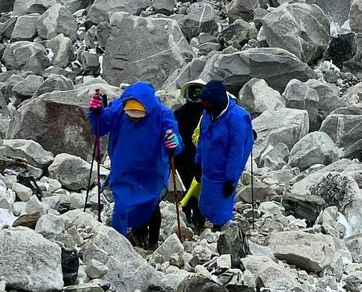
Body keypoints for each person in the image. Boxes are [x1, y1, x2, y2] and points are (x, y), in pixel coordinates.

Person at [88, 81, 181, 247]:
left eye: (138, 116)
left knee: (151, 205)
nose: (134, 119)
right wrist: (97, 112)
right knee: (122, 206)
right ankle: (119, 244)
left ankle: (151, 242)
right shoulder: (118, 108)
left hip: (152, 171)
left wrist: (174, 142)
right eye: (130, 115)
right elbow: (100, 127)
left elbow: (176, 141)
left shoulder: (162, 114)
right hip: (124, 169)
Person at [180, 80, 254, 231]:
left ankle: (220, 230)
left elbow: (236, 152)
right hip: (208, 168)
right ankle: (205, 223)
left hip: (224, 172)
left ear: (217, 102)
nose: (205, 107)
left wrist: (230, 179)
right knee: (206, 202)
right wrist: (198, 163)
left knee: (222, 206)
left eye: (208, 104)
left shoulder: (236, 119)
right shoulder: (208, 113)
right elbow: (202, 140)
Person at [172, 81, 205, 229]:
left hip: (191, 156)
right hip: (186, 156)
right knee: (193, 186)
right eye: (194, 92)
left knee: (193, 186)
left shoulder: (180, 113)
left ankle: (193, 216)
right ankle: (194, 217)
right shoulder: (208, 113)